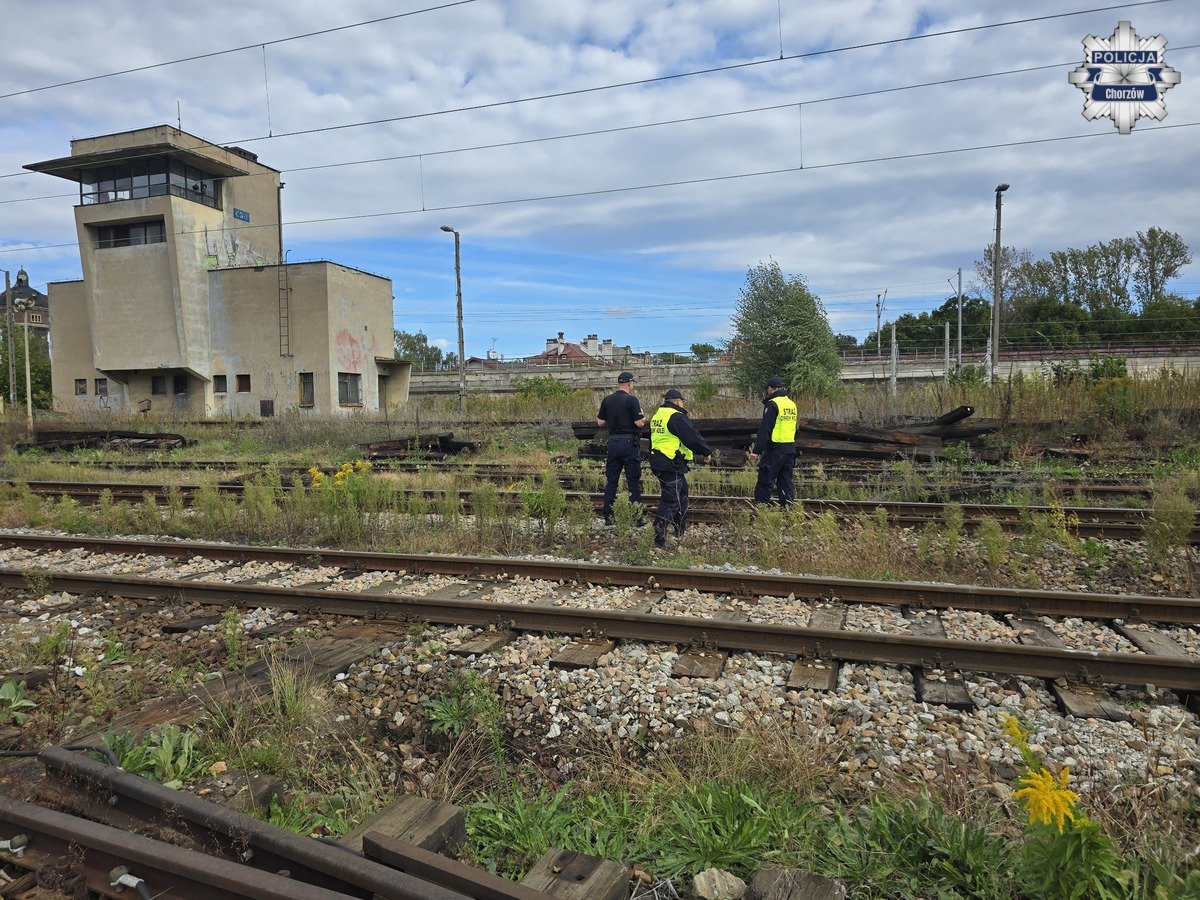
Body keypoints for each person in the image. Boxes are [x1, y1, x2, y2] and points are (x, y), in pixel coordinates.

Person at [649, 388, 711, 548]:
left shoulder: (658, 415)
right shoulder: (675, 416)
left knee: (682, 493)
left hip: (661, 460)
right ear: (677, 401)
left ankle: (679, 528)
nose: (683, 404)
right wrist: (705, 451)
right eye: (682, 401)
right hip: (670, 462)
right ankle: (658, 536)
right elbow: (692, 437)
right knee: (671, 499)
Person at [596, 371, 646, 525]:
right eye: (633, 383)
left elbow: (600, 422)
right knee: (633, 481)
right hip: (629, 444)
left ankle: (608, 518)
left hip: (613, 443)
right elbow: (640, 423)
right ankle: (636, 518)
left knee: (612, 481)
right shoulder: (632, 400)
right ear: (630, 383)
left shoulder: (607, 400)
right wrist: (643, 416)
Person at [749, 376, 798, 506]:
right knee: (785, 482)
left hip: (775, 449)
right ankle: (787, 509)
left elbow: (765, 429)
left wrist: (756, 451)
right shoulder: (791, 404)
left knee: (765, 480)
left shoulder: (773, 404)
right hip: (790, 449)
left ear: (770, 389)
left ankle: (761, 509)